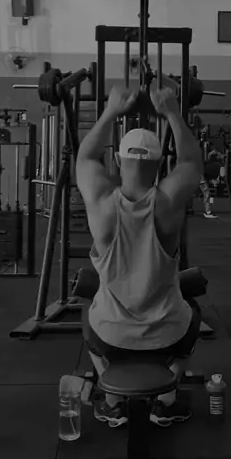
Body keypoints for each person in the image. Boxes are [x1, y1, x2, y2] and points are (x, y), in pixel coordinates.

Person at [76, 85, 203, 429]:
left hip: (111, 338)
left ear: (118, 160)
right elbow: (191, 162)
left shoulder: (100, 202)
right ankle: (167, 400)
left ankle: (112, 402)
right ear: (160, 164)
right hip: (167, 336)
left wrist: (110, 111)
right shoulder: (168, 202)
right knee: (194, 311)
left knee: (89, 312)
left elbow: (85, 159)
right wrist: (173, 112)